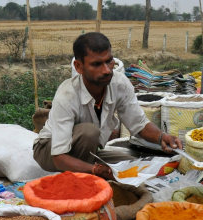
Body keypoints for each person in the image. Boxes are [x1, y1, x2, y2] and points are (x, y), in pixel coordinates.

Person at [33, 32, 182, 180]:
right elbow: (59, 157)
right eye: (96, 64)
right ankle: (83, 175)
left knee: (131, 165)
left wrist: (162, 137)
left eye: (109, 61)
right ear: (79, 67)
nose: (106, 70)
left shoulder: (119, 83)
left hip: (86, 152)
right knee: (89, 131)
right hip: (51, 152)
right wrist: (95, 170)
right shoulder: (67, 94)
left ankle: (86, 169)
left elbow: (139, 124)